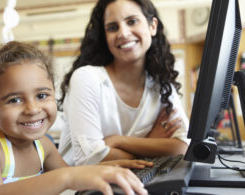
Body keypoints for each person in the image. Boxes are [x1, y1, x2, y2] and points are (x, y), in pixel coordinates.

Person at [0, 41, 149, 195]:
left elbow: (72, 179)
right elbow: (65, 178)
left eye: (41, 95)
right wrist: (66, 177)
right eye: (15, 100)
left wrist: (107, 168)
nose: (32, 109)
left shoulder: (43, 145)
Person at [58, 0, 189, 166]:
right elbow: (90, 158)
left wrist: (118, 141)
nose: (123, 33)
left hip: (132, 184)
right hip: (81, 189)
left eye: (132, 21)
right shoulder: (86, 78)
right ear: (104, 37)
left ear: (152, 26)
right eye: (113, 27)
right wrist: (152, 142)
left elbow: (182, 146)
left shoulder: (163, 86)